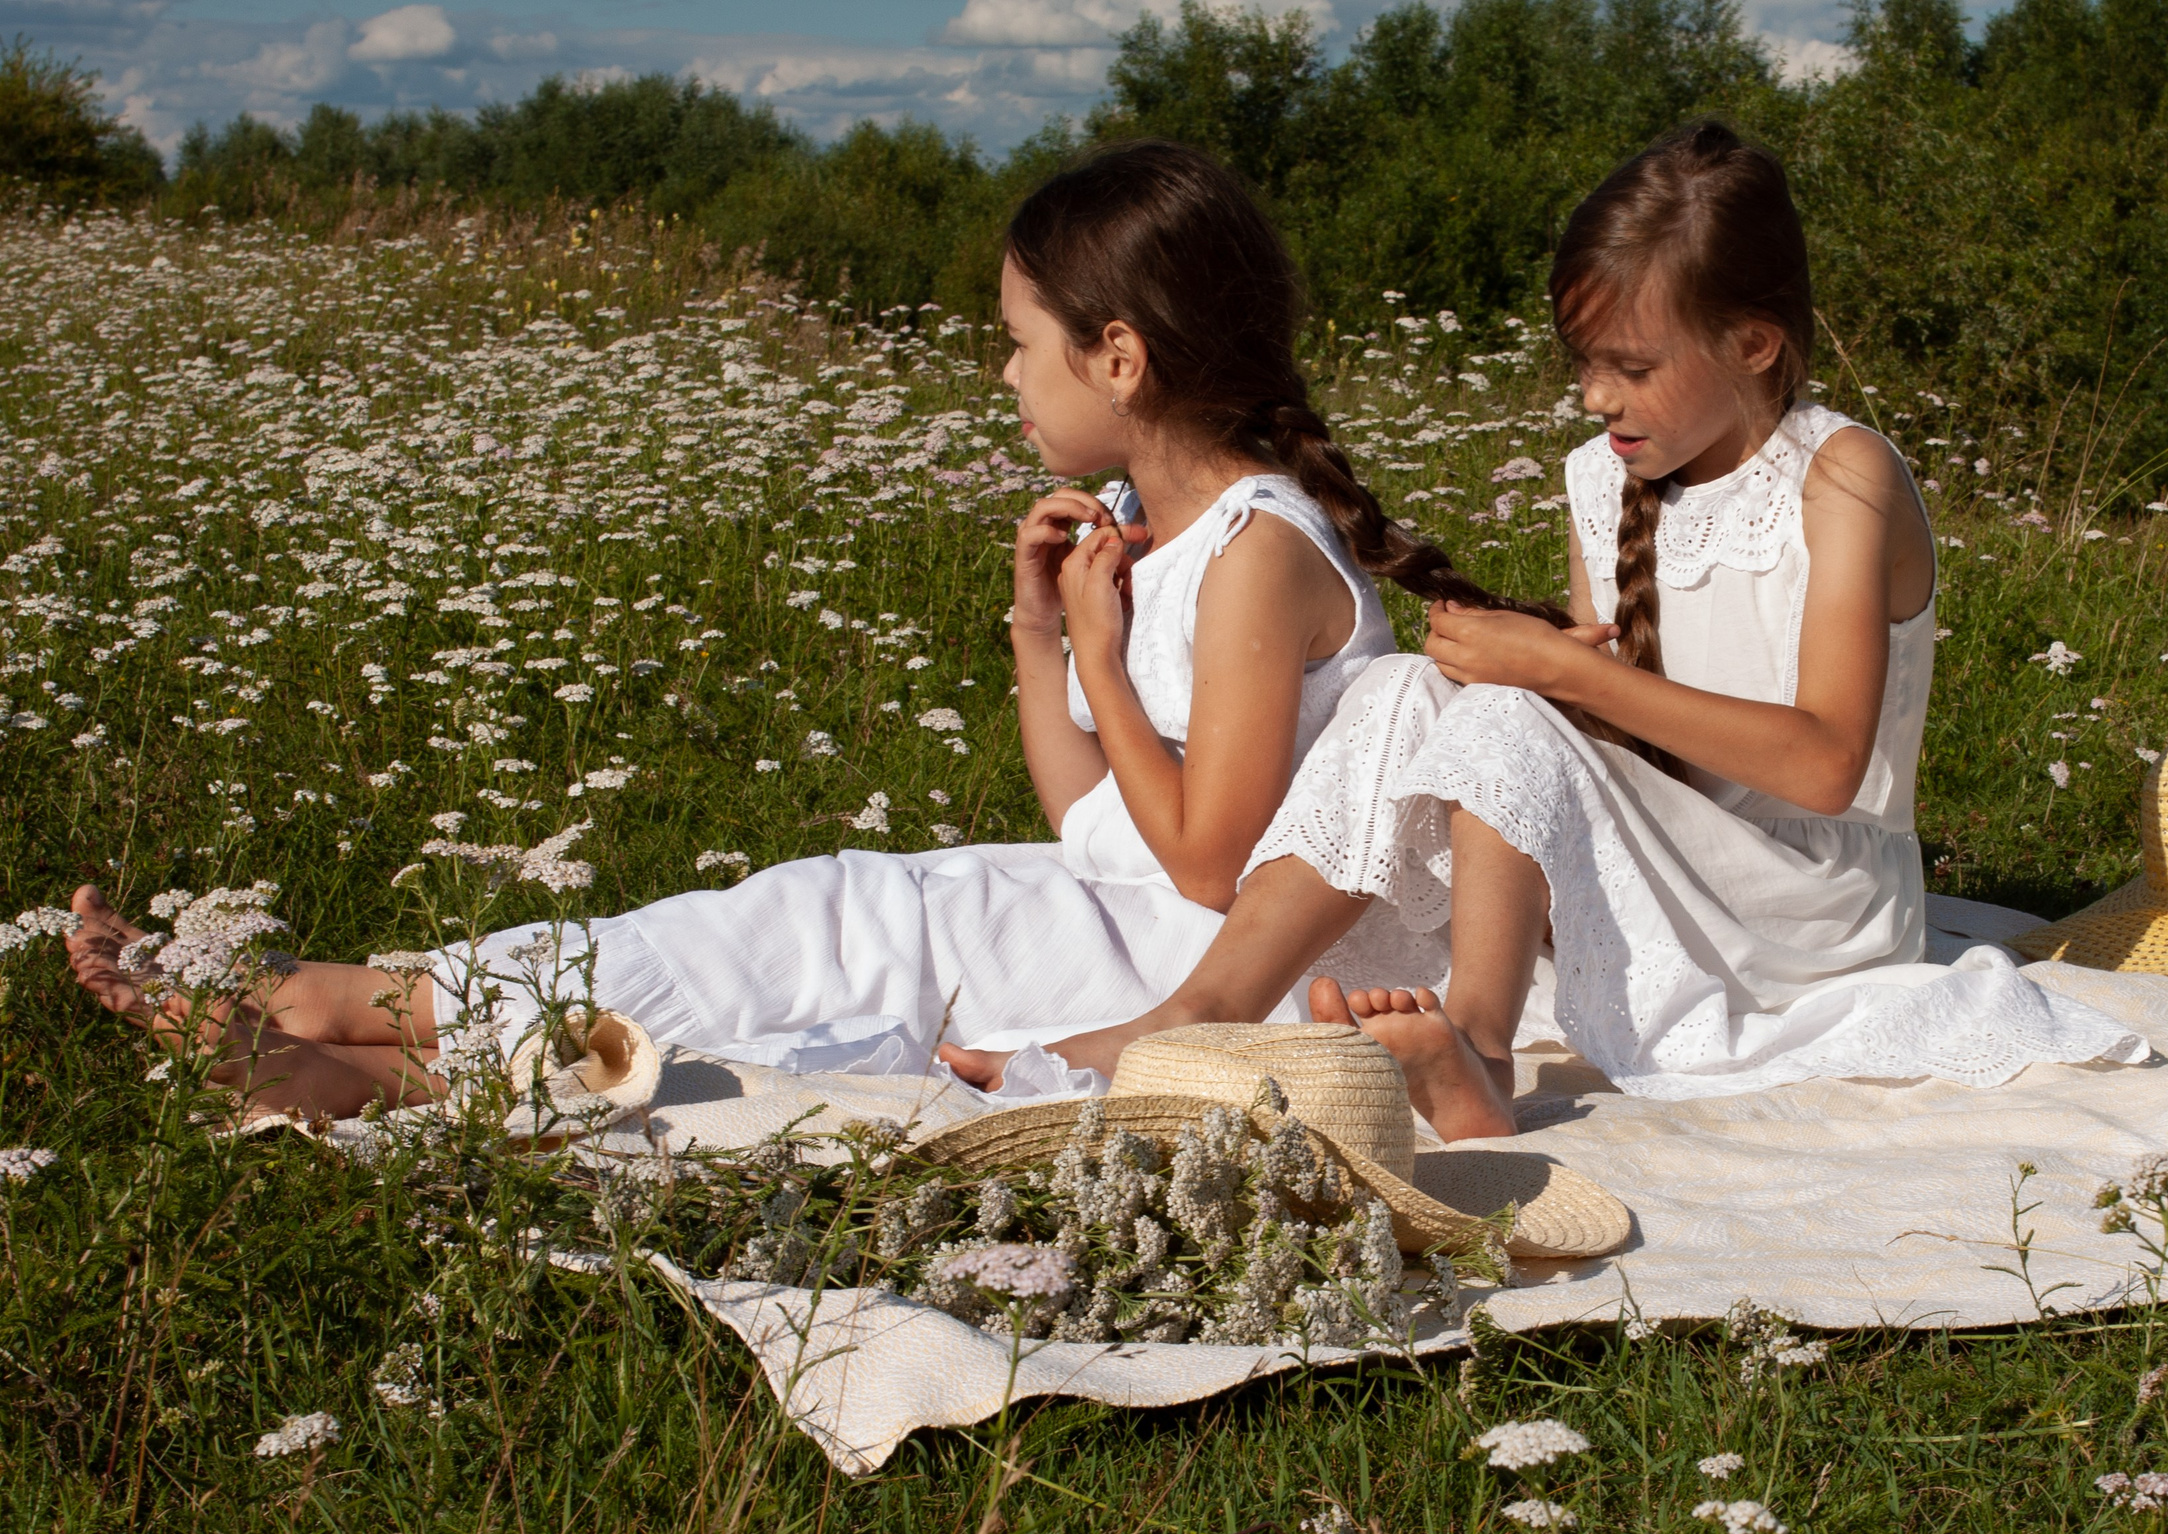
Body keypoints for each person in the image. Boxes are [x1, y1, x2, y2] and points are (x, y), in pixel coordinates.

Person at [61, 139, 1563, 1122]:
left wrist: (1102, 654)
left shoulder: (1256, 555)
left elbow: (1206, 864)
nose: (1004, 378)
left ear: (1122, 354)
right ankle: (368, 1047)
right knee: (803, 930)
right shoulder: (1168, 537)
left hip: (1182, 953)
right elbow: (1097, 819)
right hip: (1096, 898)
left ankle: (360, 1017)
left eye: (1020, 345)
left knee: (820, 952)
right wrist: (1043, 639)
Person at [956, 121, 2143, 1136]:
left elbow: (1827, 764)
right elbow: (1622, 729)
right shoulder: (1602, 479)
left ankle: (1473, 1038)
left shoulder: (1842, 477)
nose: (1593, 397)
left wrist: (1547, 681)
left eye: (1627, 366)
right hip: (1675, 858)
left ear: (1753, 343)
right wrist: (1551, 674)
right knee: (1400, 696)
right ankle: (1203, 1015)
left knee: (1506, 701)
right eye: (1582, 364)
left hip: (1811, 900)